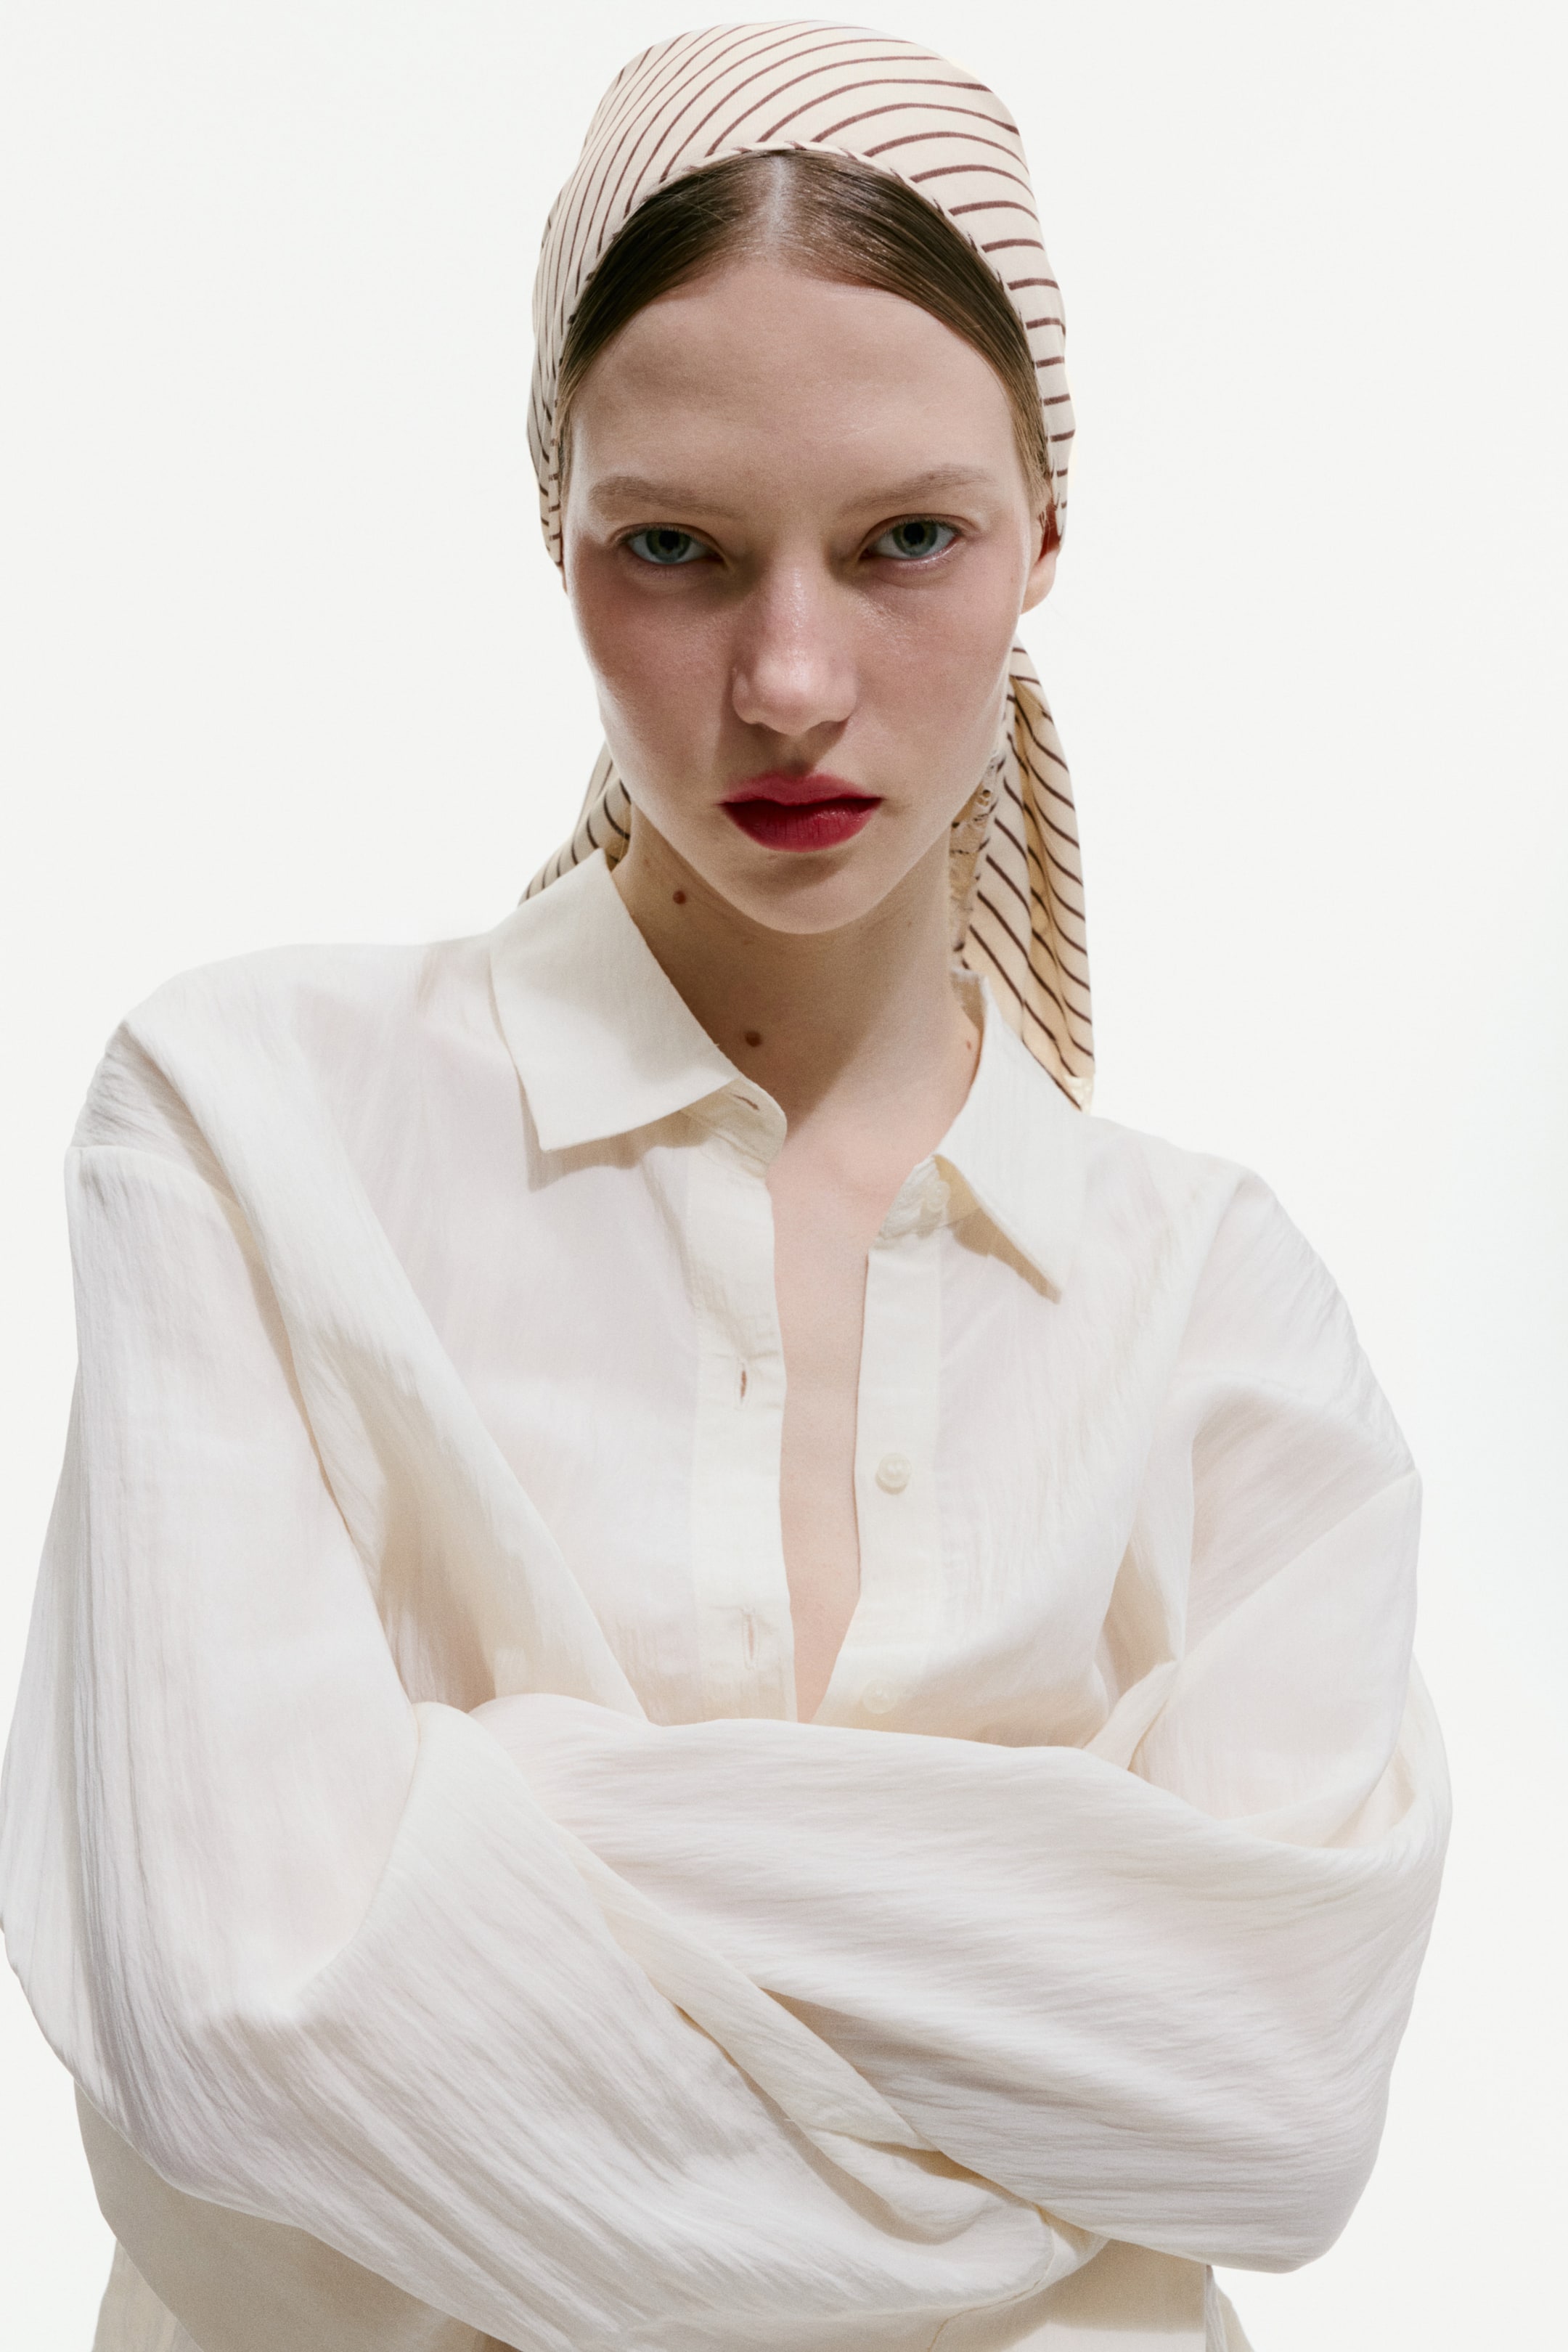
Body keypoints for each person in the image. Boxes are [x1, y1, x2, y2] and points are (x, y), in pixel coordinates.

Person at [0, 23, 1447, 2352]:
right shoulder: (244, 1133)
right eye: (674, 548)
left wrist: (485, 1850)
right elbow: (235, 2025)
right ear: (551, 524)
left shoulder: (1215, 1303)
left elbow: (1274, 2096)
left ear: (1048, 531)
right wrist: (1031, 2032)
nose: (789, 679)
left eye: (909, 543)